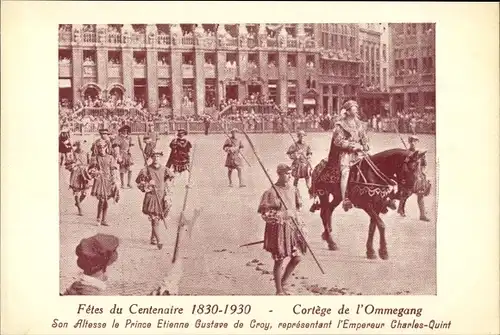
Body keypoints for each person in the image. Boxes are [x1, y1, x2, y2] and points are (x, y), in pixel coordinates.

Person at [257, 164, 307, 295]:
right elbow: (265, 215)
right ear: (279, 174)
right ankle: (279, 290)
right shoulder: (271, 192)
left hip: (293, 228)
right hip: (278, 230)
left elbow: (298, 209)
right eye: (286, 174)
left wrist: (300, 224)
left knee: (297, 258)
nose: (289, 176)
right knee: (279, 260)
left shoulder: (294, 189)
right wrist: (281, 215)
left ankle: (284, 282)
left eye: (290, 174)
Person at [327, 100, 370, 212]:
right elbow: (338, 141)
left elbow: (364, 138)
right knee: (345, 172)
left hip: (359, 152)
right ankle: (345, 198)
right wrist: (351, 146)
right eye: (353, 108)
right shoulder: (340, 125)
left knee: (371, 165)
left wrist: (364, 146)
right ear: (348, 111)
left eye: (356, 108)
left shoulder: (359, 124)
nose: (356, 110)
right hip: (346, 153)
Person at [136, 151, 175, 250]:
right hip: (152, 197)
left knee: (157, 218)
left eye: (158, 156)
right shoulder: (146, 170)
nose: (156, 158)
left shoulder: (165, 169)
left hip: (162, 196)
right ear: (151, 158)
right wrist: (148, 184)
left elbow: (171, 179)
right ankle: (159, 241)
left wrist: (167, 188)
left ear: (160, 158)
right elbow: (139, 182)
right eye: (154, 156)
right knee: (155, 219)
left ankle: (153, 237)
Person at [398, 135, 431, 222]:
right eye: (411, 141)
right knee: (405, 194)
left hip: (419, 177)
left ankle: (422, 215)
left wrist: (423, 173)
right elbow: (403, 166)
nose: (413, 143)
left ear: (417, 142)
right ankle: (400, 209)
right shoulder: (406, 152)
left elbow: (424, 165)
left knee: (420, 195)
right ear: (409, 142)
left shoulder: (420, 153)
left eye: (415, 141)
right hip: (409, 177)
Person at [89, 141, 119, 226]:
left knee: (106, 200)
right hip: (99, 180)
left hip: (108, 180)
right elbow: (91, 169)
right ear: (97, 149)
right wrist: (95, 172)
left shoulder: (110, 157)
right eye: (99, 148)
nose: (101, 149)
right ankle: (98, 218)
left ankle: (104, 219)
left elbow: (113, 169)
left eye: (103, 147)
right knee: (101, 200)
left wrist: (114, 179)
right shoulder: (95, 158)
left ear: (106, 148)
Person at [65, 141, 91, 216]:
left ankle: (78, 202)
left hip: (84, 173)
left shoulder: (86, 153)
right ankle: (80, 209)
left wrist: (88, 169)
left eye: (81, 145)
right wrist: (72, 165)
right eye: (78, 145)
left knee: (85, 192)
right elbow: (68, 162)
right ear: (77, 146)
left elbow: (89, 164)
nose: (80, 147)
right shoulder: (73, 153)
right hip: (76, 173)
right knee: (76, 191)